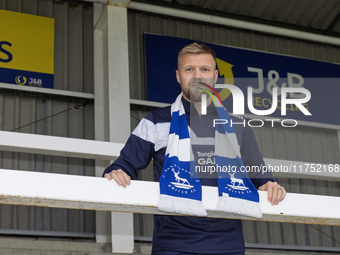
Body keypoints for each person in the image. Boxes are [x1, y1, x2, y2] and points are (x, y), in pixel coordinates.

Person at [103, 42, 286, 255]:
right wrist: (116, 172)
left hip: (228, 244)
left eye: (205, 70)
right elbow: (123, 166)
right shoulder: (155, 121)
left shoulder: (237, 126)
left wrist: (270, 186)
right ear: (178, 76)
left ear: (215, 76)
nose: (197, 76)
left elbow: (260, 176)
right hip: (172, 244)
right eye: (189, 69)